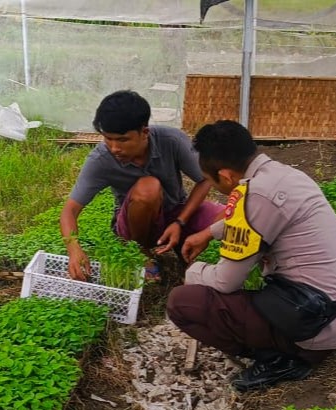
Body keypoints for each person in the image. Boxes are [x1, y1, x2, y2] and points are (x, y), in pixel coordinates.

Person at [166, 120, 336, 392]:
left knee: (183, 302)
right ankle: (287, 347)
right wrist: (209, 233)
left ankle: (280, 359)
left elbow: (227, 282)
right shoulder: (284, 175)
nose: (216, 189)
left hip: (314, 323)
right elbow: (259, 213)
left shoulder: (255, 194)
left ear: (225, 176)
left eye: (213, 182)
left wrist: (192, 272)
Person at [59, 90, 224, 281]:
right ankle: (141, 253)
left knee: (230, 213)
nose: (114, 148)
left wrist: (181, 222)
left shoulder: (171, 140)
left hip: (176, 212)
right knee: (149, 187)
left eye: (122, 140)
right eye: (108, 139)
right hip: (133, 225)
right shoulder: (101, 159)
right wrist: (74, 249)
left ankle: (186, 246)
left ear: (144, 132)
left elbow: (205, 179)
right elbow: (69, 211)